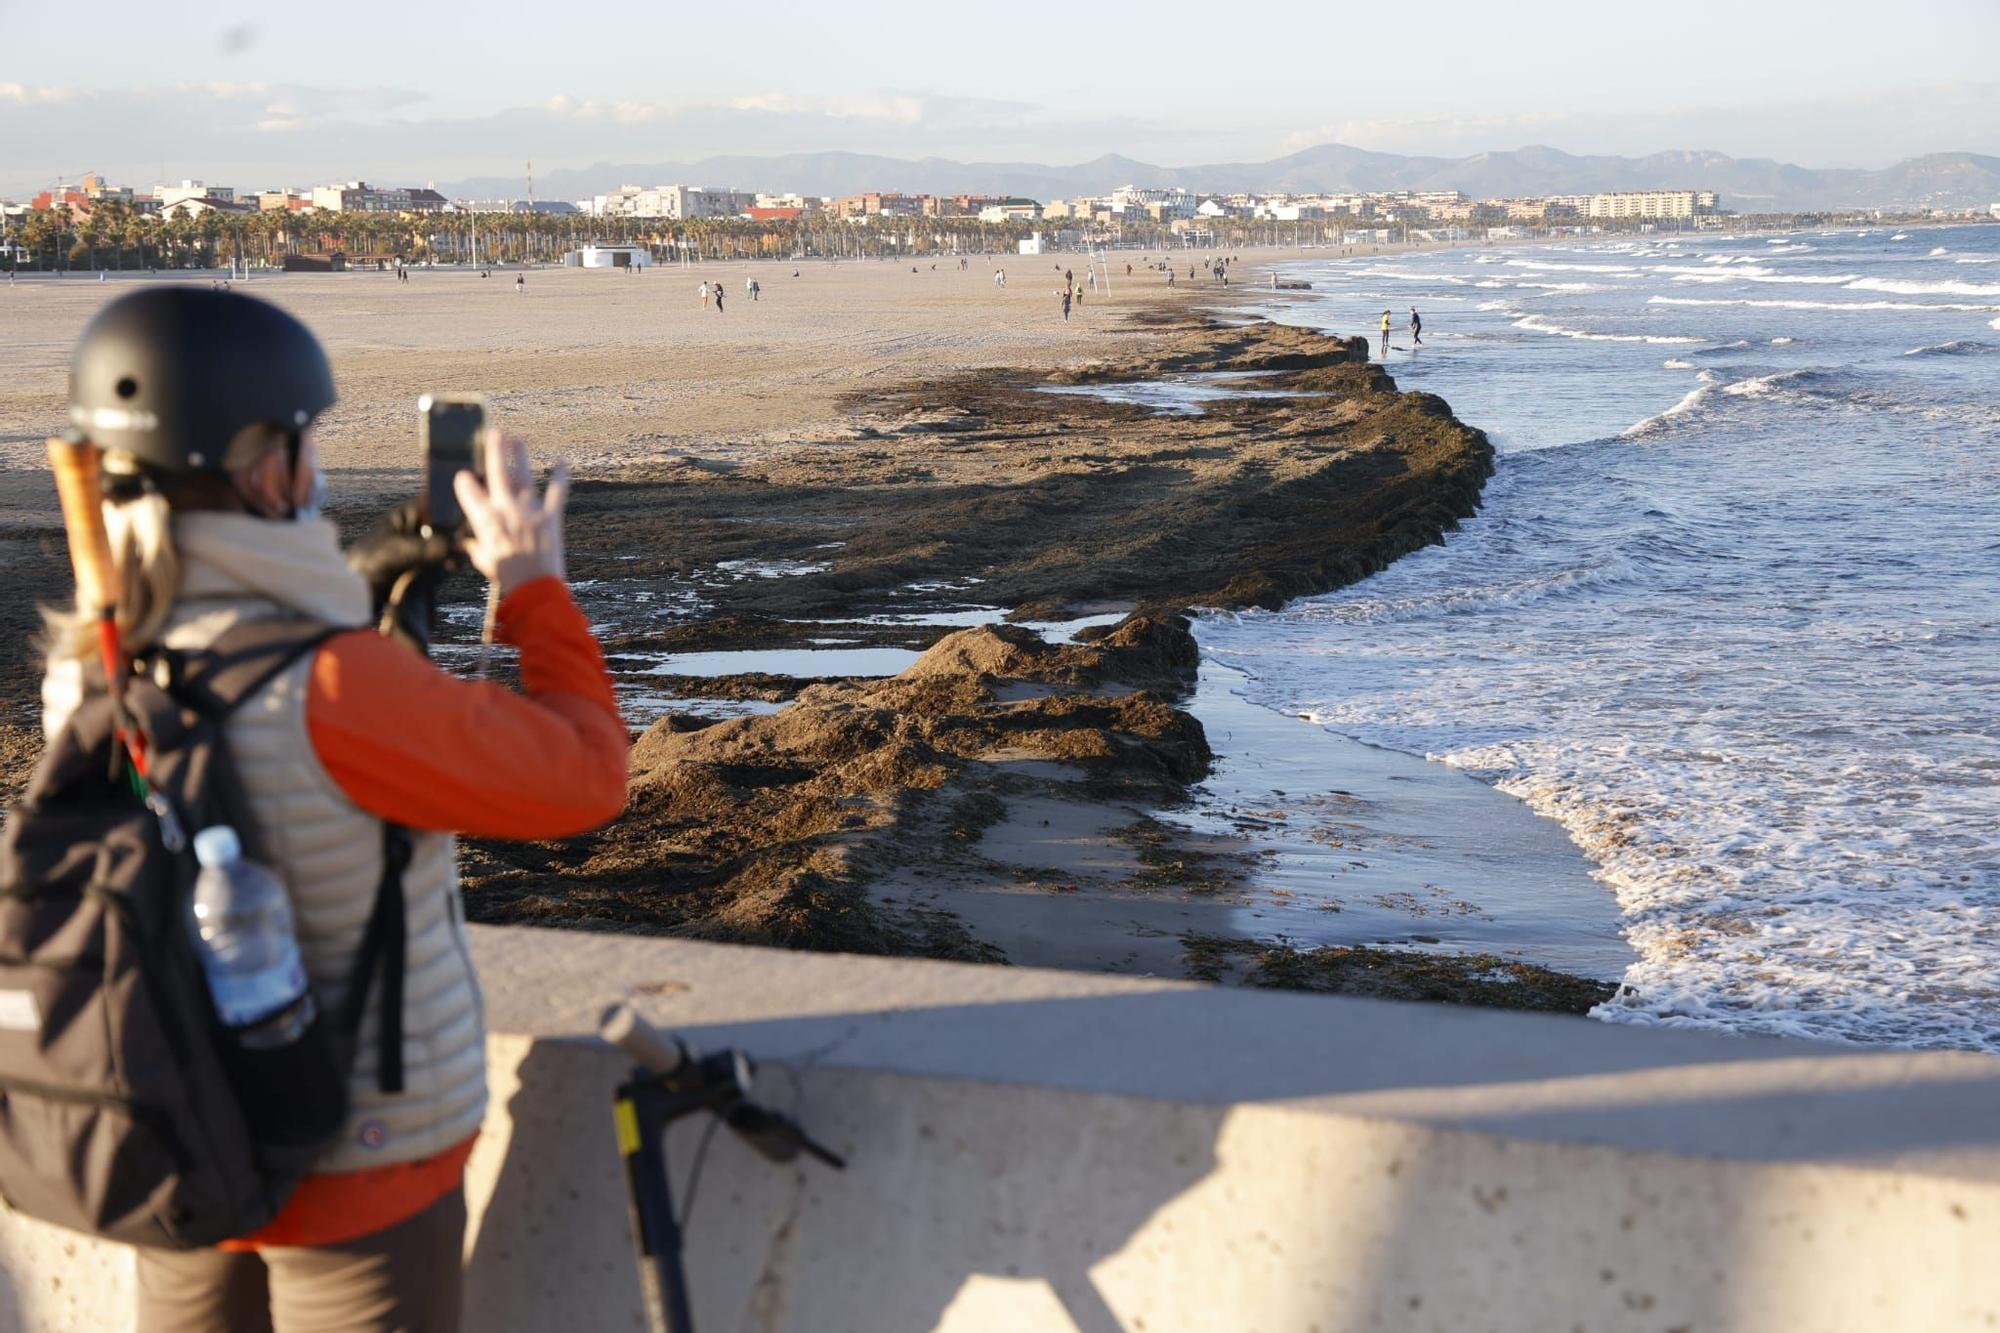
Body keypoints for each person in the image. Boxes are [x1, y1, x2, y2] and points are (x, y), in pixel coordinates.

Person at [49, 288, 628, 1330]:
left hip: (168, 1132)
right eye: (302, 444)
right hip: (354, 1162)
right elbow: (583, 776)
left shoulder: (87, 669)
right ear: (265, 464)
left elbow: (236, 692)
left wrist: (352, 597)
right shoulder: (335, 685)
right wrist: (536, 586)